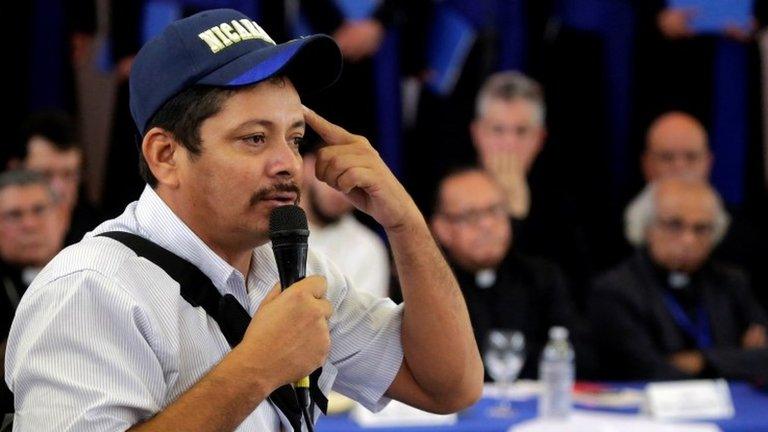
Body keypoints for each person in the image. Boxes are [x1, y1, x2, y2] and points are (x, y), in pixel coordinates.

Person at [5, 9, 483, 431]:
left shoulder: (291, 265)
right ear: (165, 154)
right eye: (255, 138)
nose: (289, 164)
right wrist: (256, 368)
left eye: (295, 138)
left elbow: (446, 387)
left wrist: (404, 224)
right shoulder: (89, 289)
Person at [591, 178, 768, 381]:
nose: (688, 240)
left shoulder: (731, 283)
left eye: (701, 229)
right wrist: (737, 361)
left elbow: (763, 358)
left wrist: (701, 361)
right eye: (675, 225)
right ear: (647, 227)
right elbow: (646, 369)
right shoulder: (616, 290)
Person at [430, 168, 594, 380]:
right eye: (470, 216)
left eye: (495, 211)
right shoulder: (428, 288)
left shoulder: (542, 277)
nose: (486, 225)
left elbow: (579, 355)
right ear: (441, 228)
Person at [470, 72, 593, 307]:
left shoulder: (564, 205)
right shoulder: (451, 193)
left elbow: (571, 289)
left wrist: (519, 221)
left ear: (540, 138)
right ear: (477, 133)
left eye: (521, 132)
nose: (509, 144)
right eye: (498, 130)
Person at [634, 111, 768, 309]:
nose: (679, 167)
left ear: (708, 162)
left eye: (691, 157)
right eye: (667, 158)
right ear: (646, 164)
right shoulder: (618, 229)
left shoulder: (741, 232)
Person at [0, 170, 67, 414]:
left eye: (39, 210)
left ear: (63, 216)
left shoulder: (95, 273)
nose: (29, 224)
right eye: (13, 215)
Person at [301, 148, 390, 298]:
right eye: (334, 179)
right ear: (308, 166)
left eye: (353, 185)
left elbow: (366, 319)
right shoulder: (268, 229)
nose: (341, 192)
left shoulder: (367, 247)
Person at [11, 111, 102, 245]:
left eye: (69, 175)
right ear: (16, 171)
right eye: (45, 175)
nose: (58, 188)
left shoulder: (100, 236)